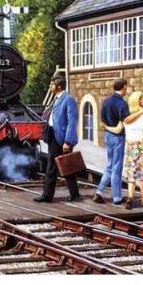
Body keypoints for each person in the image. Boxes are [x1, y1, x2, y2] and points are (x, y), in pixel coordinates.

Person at [34, 75, 80, 203]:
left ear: (59, 86)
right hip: (52, 135)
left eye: (52, 84)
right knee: (60, 165)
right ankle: (72, 193)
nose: (50, 86)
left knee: (62, 166)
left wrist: (68, 141)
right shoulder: (55, 99)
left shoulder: (68, 100)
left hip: (62, 137)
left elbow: (72, 122)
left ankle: (49, 195)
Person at [93, 79, 130, 204]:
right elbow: (122, 124)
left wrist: (107, 127)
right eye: (126, 87)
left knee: (109, 165)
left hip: (107, 136)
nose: (127, 89)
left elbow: (102, 121)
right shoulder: (122, 104)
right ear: (123, 87)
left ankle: (99, 192)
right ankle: (117, 197)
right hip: (117, 136)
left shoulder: (106, 101)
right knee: (117, 167)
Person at [122, 91, 143, 209]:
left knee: (131, 173)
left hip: (130, 146)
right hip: (141, 146)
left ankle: (130, 197)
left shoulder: (127, 117)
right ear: (139, 101)